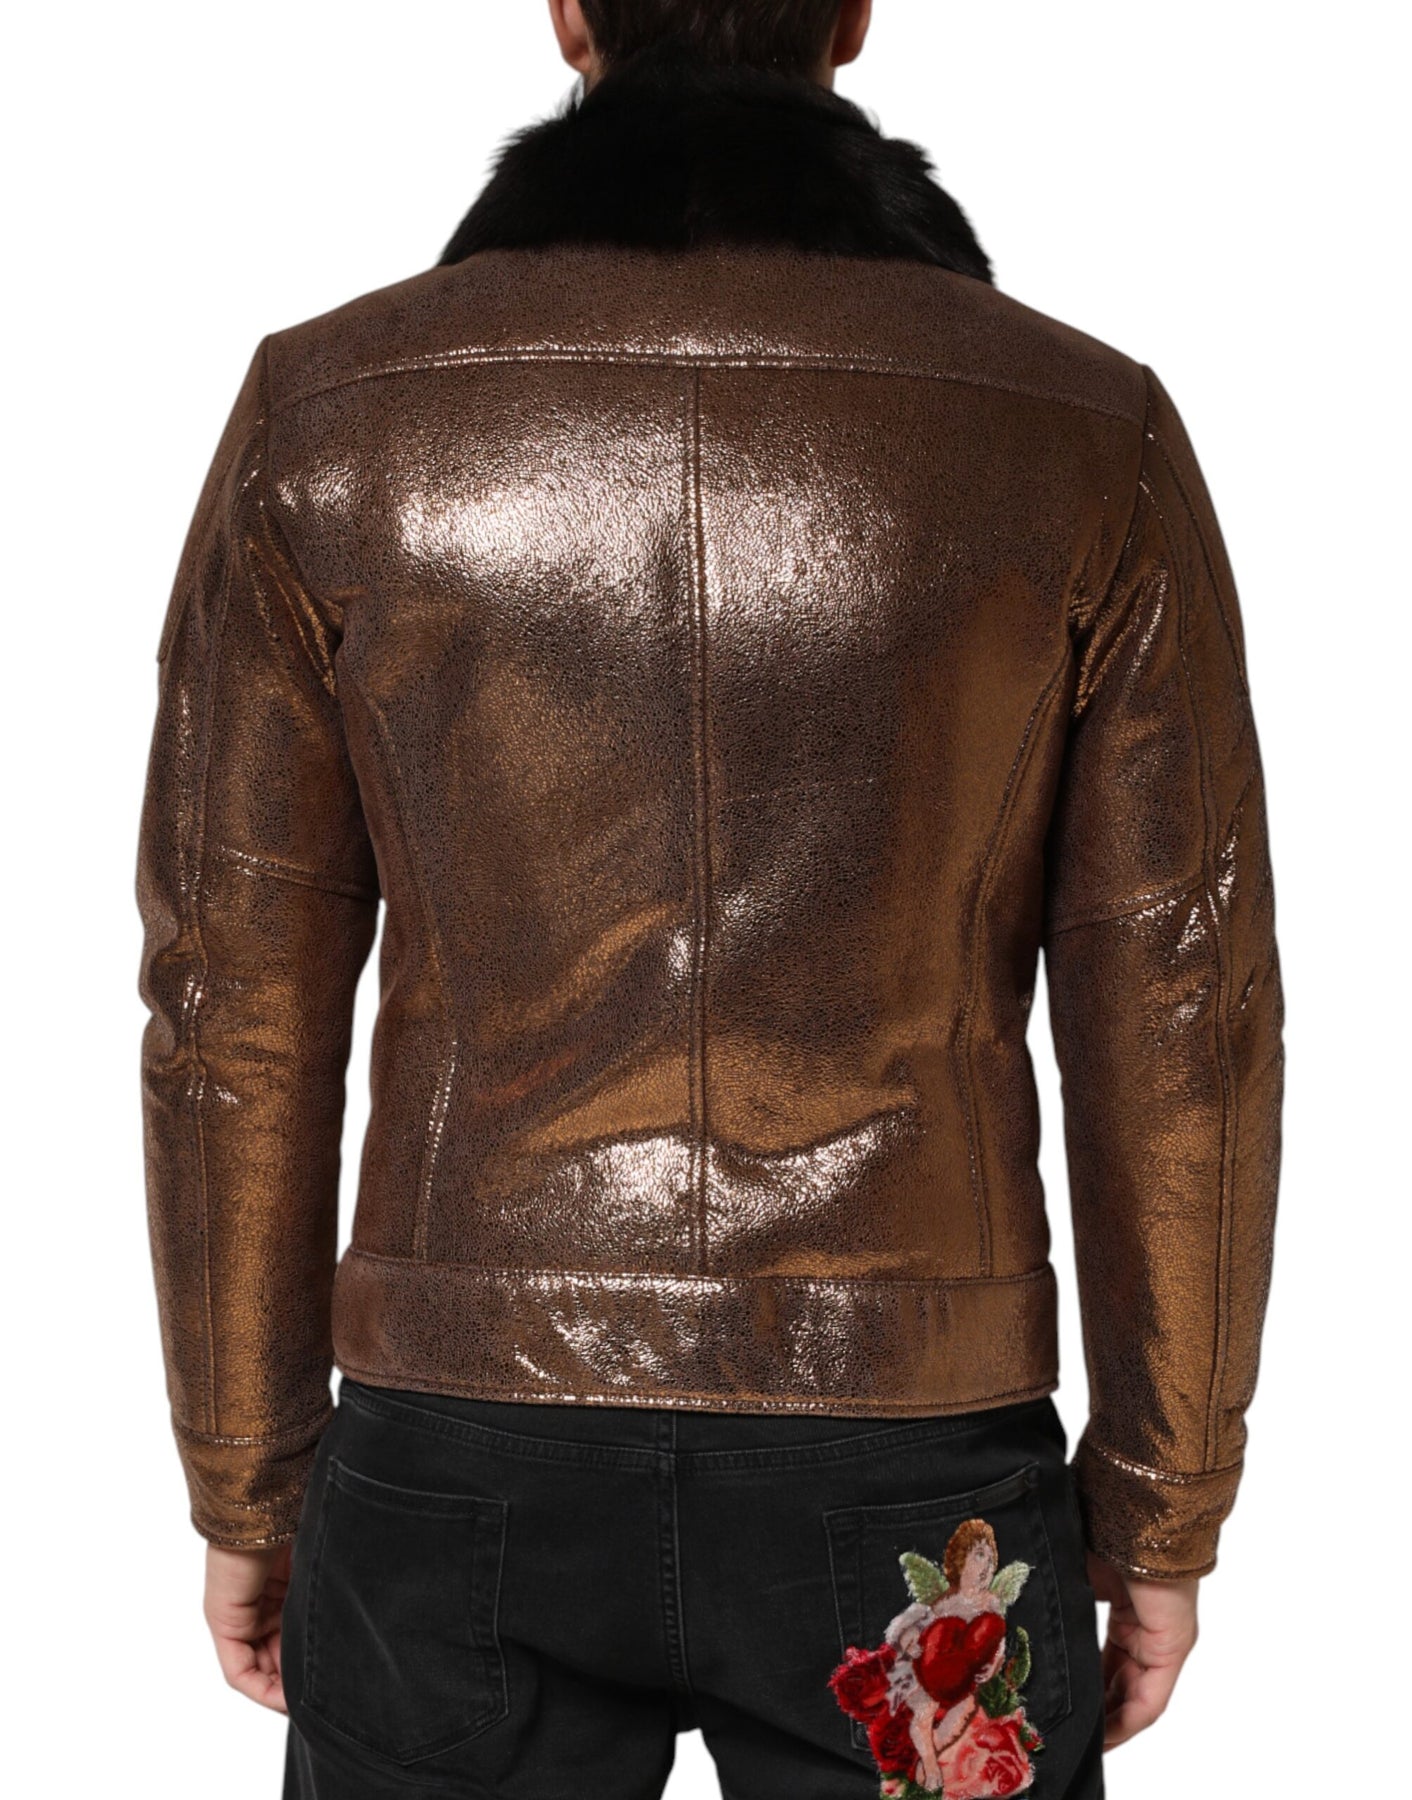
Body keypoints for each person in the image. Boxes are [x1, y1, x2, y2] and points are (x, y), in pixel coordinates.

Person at [133, 2, 1285, 1795]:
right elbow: (1184, 1008)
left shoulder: (333, 415)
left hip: (458, 1440)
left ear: (568, 12)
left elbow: (230, 998)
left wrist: (249, 1471)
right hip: (910, 1455)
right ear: (853, 13)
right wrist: (1162, 1499)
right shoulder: (1081, 435)